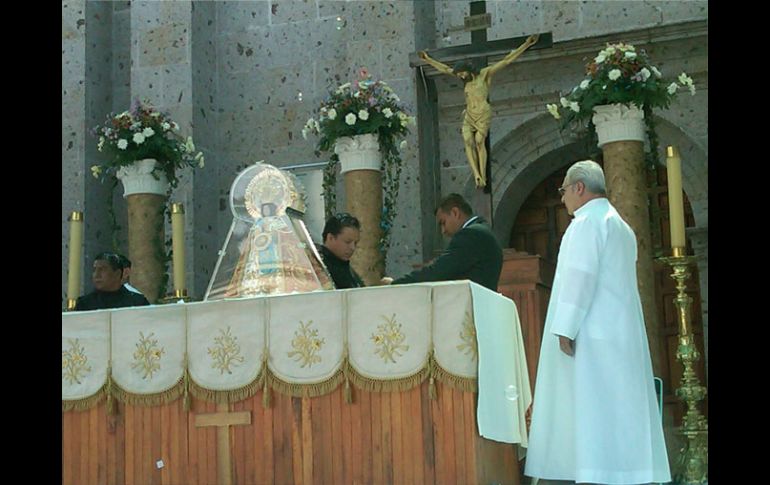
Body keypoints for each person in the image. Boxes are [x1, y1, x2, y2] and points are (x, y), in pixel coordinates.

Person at [524, 161, 670, 484]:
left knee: (592, 412)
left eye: (563, 191)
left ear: (579, 188)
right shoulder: (620, 225)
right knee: (616, 411)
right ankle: (621, 473)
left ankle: (596, 475)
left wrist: (566, 325)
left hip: (591, 335)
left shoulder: (586, 223)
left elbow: (580, 276)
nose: (562, 200)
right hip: (620, 334)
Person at [418, 33, 539, 188]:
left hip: (482, 114)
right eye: (459, 74)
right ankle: (476, 175)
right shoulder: (464, 80)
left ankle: (483, 175)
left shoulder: (485, 74)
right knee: (468, 141)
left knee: (479, 141)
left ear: (469, 69)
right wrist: (427, 59)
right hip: (469, 114)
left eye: (462, 72)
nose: (461, 76)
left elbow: (507, 60)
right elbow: (444, 69)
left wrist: (526, 44)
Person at [381, 193, 502, 291]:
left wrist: (395, 283)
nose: (443, 231)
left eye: (443, 223)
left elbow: (438, 272)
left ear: (455, 213)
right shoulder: (484, 230)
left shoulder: (470, 234)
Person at [74, 252, 150, 311]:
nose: (96, 275)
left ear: (117, 273)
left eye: (102, 269)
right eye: (94, 270)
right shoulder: (84, 304)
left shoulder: (137, 302)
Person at [319, 213, 364, 289]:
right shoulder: (319, 265)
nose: (352, 248)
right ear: (330, 238)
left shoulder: (343, 266)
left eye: (355, 243)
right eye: (347, 242)